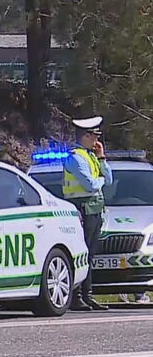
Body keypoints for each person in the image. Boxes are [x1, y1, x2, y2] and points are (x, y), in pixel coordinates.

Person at [63, 116, 114, 311]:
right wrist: (99, 179)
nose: (97, 140)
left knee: (89, 255)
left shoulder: (91, 155)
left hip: (94, 209)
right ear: (85, 135)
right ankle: (76, 297)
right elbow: (90, 184)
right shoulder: (76, 157)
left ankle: (88, 295)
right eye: (94, 135)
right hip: (81, 209)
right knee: (80, 255)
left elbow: (108, 180)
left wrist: (102, 157)